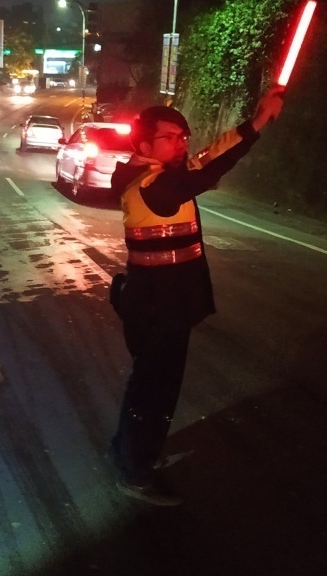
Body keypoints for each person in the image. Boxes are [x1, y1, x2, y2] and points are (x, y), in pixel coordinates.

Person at [107, 86, 286, 506]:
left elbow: (206, 157)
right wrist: (259, 121)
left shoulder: (145, 173)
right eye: (170, 137)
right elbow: (208, 170)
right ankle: (136, 469)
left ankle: (128, 451)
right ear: (144, 143)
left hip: (152, 303)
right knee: (156, 392)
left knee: (146, 385)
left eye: (182, 136)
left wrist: (252, 123)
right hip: (160, 308)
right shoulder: (154, 184)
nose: (182, 143)